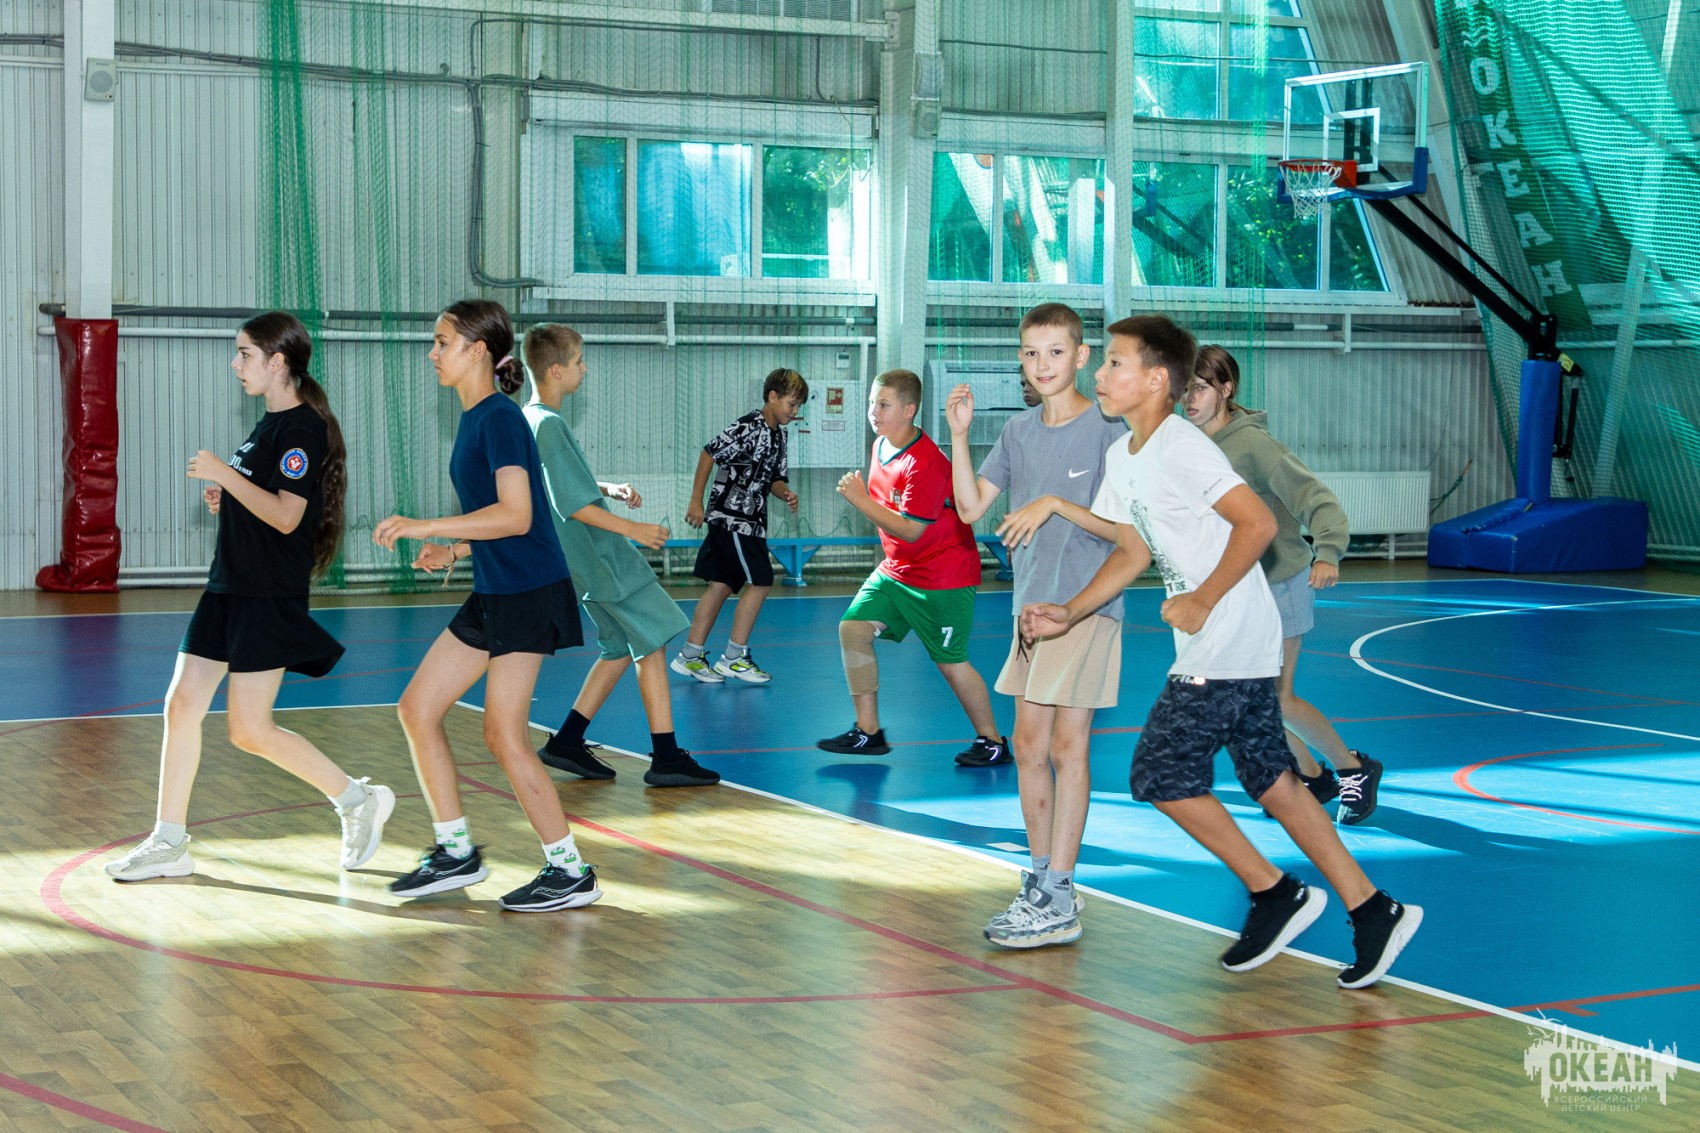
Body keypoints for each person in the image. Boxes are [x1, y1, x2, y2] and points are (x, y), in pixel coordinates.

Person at [1021, 315, 1421, 989]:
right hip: (1230, 638)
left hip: (1228, 638)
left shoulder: (1183, 447)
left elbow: (1257, 522)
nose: (1100, 373)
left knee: (1159, 773)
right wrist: (1070, 610)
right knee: (1274, 781)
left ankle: (1274, 891)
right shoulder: (1125, 455)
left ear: (1157, 380)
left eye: (1114, 362)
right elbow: (1132, 551)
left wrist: (1203, 599)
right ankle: (1374, 910)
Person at [105, 312, 395, 882]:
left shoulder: (301, 429)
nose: (234, 364)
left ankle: (357, 799)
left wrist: (226, 475)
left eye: (244, 354)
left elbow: (287, 517)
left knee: (249, 730)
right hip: (228, 586)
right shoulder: (267, 425)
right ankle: (169, 841)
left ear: (277, 362)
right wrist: (229, 495)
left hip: (266, 594)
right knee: (181, 705)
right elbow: (264, 498)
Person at [373, 299, 599, 914]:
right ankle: (455, 852)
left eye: (442, 341)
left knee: (503, 735)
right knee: (418, 708)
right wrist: (454, 548)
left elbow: (518, 515)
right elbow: (503, 519)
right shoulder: (476, 417)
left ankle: (570, 870)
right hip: (497, 588)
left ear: (477, 351)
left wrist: (425, 526)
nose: (432, 353)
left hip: (528, 592)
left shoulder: (499, 418)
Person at [946, 303, 1130, 948]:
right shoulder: (1018, 432)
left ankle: (1058, 889)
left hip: (1085, 608)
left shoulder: (1108, 429)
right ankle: (1045, 879)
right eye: (1030, 352)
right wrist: (960, 436)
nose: (1042, 364)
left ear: (1081, 356)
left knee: (1065, 747)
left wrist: (1055, 504)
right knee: (1028, 747)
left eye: (1055, 352)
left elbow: (1129, 533)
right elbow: (970, 509)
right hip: (1030, 612)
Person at [1185, 345, 1384, 825]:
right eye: (1184, 389)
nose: (1189, 398)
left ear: (1226, 389)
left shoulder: (1254, 446)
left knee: (1277, 697)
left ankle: (1353, 768)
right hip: (1235, 591)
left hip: (1279, 584)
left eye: (1200, 388)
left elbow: (1317, 499)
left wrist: (1328, 550)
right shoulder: (1190, 446)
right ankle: (1313, 777)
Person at [521, 324, 721, 788]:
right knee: (652, 638)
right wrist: (635, 530)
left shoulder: (530, 419)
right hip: (601, 558)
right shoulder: (549, 424)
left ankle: (568, 741)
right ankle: (666, 757)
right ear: (556, 370)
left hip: (581, 561)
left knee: (620, 647)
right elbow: (571, 504)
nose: (585, 368)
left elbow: (556, 486)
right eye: (578, 361)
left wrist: (606, 488)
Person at [817, 369, 1009, 766]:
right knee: (853, 629)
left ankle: (992, 741)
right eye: (872, 403)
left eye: (883, 405)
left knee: (950, 662)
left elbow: (911, 530)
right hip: (897, 570)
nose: (873, 412)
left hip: (942, 575)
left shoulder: (926, 463)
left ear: (909, 410)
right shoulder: (881, 445)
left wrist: (859, 500)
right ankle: (868, 731)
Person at [670, 368, 807, 685]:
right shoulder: (747, 426)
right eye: (791, 404)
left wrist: (785, 493)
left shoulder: (779, 436)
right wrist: (696, 501)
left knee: (721, 584)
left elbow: (774, 478)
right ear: (772, 397)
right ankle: (734, 657)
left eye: (799, 406)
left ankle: (690, 656)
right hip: (733, 520)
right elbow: (709, 453)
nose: (794, 411)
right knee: (761, 580)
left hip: (753, 522)